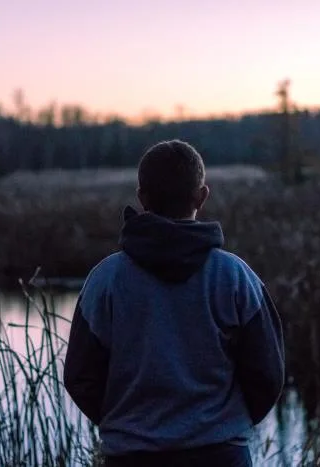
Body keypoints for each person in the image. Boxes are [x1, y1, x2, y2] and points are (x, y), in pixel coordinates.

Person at [63, 140, 285, 467]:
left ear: (142, 198)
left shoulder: (105, 280)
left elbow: (80, 376)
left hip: (131, 457)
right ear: (202, 196)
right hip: (221, 456)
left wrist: (127, 425)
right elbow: (268, 374)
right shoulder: (235, 276)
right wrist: (222, 424)